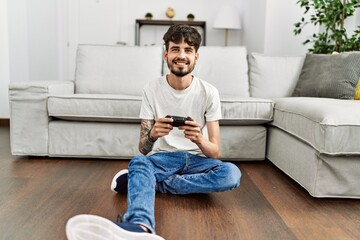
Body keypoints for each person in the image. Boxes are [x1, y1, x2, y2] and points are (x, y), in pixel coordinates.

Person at [66, 24, 241, 240]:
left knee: (231, 174)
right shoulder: (151, 89)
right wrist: (153, 135)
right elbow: (143, 148)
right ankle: (140, 227)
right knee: (139, 162)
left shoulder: (209, 92)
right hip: (163, 159)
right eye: (175, 49)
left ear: (197, 56)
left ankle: (147, 182)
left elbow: (215, 152)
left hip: (197, 161)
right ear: (166, 54)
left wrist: (199, 139)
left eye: (188, 50)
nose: (181, 55)